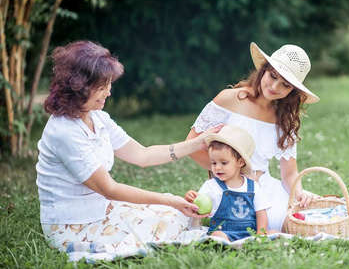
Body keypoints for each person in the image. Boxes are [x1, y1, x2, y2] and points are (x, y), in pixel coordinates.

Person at [36, 40, 222, 251]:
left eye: (109, 85)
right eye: (102, 86)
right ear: (80, 86)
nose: (108, 92)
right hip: (72, 226)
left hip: (102, 210)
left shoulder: (97, 117)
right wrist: (168, 200)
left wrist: (197, 143)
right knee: (168, 225)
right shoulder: (64, 131)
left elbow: (142, 155)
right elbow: (110, 189)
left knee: (178, 216)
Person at [186, 42, 319, 232]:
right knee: (281, 228)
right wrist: (233, 173)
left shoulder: (284, 117)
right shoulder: (229, 99)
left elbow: (289, 173)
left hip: (265, 186)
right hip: (231, 189)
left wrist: (299, 194)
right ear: (263, 70)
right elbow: (191, 145)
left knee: (305, 223)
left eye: (285, 85)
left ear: (292, 91)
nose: (274, 86)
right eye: (272, 76)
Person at [185, 125, 272, 241]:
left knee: (275, 233)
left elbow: (261, 213)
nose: (218, 168)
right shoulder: (211, 186)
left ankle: (250, 243)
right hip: (224, 232)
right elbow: (198, 207)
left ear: (240, 162)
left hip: (250, 234)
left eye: (224, 163)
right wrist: (192, 199)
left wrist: (260, 234)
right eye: (214, 163)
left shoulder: (253, 187)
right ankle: (230, 245)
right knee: (217, 237)